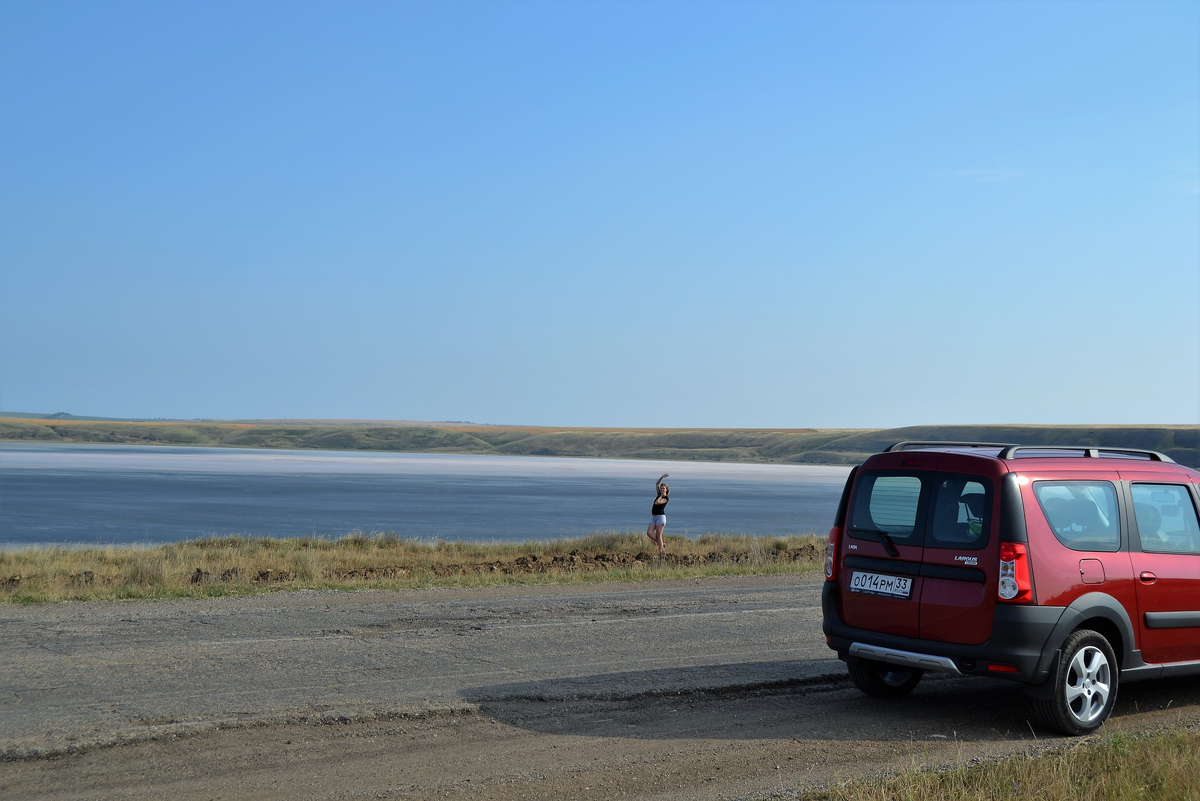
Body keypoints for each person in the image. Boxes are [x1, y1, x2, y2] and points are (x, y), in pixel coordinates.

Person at [646, 473, 669, 555]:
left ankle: (661, 551)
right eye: (661, 488)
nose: (662, 489)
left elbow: (657, 502)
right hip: (654, 517)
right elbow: (657, 483)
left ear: (666, 490)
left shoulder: (665, 498)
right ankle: (662, 544)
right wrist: (662, 477)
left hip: (660, 518)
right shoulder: (659, 494)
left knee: (659, 536)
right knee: (649, 533)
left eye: (664, 489)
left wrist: (661, 496)